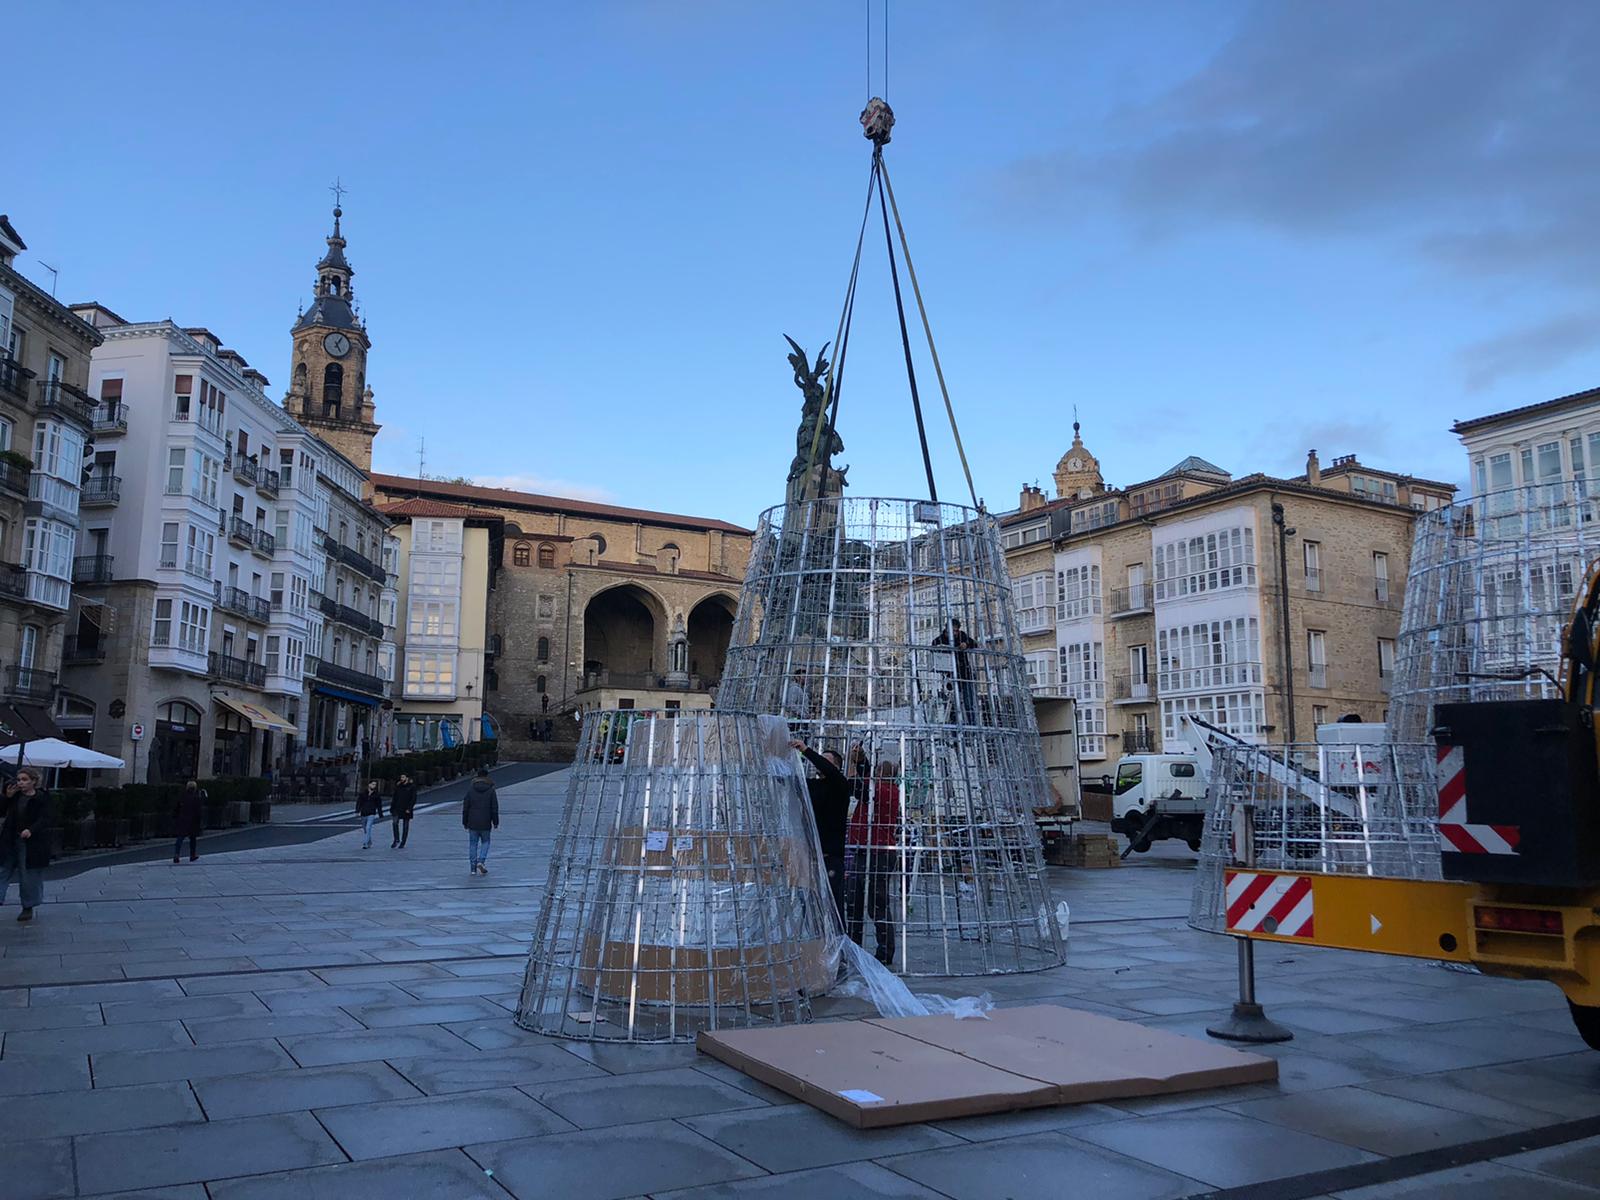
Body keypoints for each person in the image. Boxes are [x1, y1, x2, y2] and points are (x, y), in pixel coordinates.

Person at [846, 759, 901, 965]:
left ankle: (884, 950)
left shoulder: (882, 790)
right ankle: (857, 946)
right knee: (857, 900)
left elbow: (855, 786)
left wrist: (852, 766)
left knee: (875, 904)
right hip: (869, 850)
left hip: (876, 852)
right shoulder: (888, 789)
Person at [791, 740, 850, 921]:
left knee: (833, 908)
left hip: (830, 858)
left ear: (836, 766)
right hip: (810, 856)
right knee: (810, 907)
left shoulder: (840, 786)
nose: (819, 764)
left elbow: (830, 771)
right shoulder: (813, 786)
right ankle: (815, 945)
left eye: (825, 760)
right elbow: (792, 781)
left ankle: (838, 945)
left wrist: (806, 751)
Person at [1, 768, 48, 922]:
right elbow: (2, 811)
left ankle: (28, 906)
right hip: (10, 840)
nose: (20, 783)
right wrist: (7, 797)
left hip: (30, 843)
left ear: (33, 781)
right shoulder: (15, 797)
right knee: (2, 870)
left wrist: (31, 830)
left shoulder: (41, 798)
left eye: (24, 779)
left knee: (28, 875)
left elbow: (45, 818)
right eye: (19, 779)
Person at [932, 617, 979, 724]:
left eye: (956, 630)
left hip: (965, 674)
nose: (955, 633)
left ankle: (972, 725)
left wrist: (966, 645)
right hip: (950, 676)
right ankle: (954, 728)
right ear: (946, 630)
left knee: (969, 703)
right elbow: (933, 646)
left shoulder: (962, 636)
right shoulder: (939, 640)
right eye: (952, 631)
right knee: (951, 704)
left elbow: (974, 643)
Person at [463, 766, 499, 875]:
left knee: (473, 844)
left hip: (472, 821)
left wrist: (465, 821)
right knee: (486, 842)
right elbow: (494, 808)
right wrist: (495, 821)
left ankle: (473, 868)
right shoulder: (491, 790)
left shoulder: (471, 790)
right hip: (485, 821)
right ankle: (481, 861)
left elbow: (466, 807)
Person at [172, 779, 205, 863]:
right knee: (193, 839)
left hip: (182, 819)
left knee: (180, 838)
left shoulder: (182, 796)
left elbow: (176, 808)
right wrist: (200, 822)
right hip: (192, 821)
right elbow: (198, 811)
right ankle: (192, 855)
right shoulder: (196, 798)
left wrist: (175, 817)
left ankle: (176, 854)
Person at [390, 773, 417, 849]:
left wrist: (409, 808)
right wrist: (392, 807)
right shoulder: (398, 786)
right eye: (401, 777)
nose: (401, 778)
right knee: (395, 823)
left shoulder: (411, 787)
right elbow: (394, 797)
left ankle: (403, 841)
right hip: (397, 808)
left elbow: (413, 799)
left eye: (403, 777)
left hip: (406, 809)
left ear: (407, 778)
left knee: (405, 826)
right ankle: (396, 839)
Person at [357, 779, 383, 850]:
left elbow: (379, 805)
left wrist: (380, 814)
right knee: (365, 829)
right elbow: (359, 802)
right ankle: (369, 841)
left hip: (371, 813)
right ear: (369, 784)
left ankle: (365, 843)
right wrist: (358, 811)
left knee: (368, 828)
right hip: (363, 813)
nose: (374, 786)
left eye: (375, 785)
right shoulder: (363, 793)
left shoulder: (377, 795)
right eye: (373, 784)